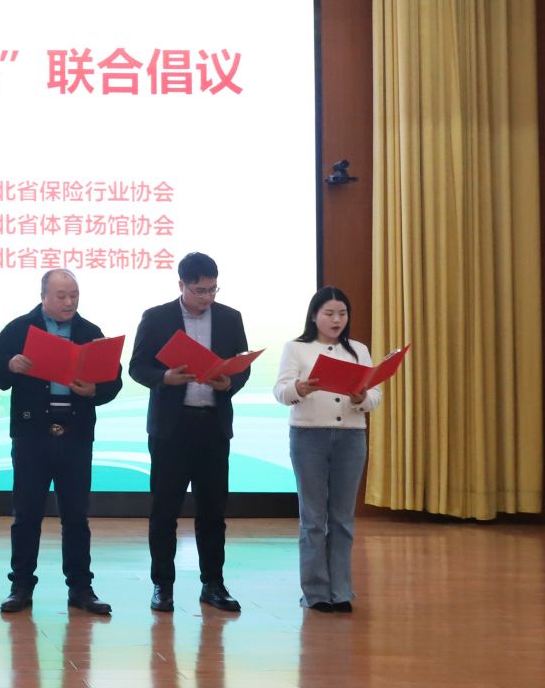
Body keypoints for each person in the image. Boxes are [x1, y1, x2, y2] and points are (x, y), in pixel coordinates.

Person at [0, 268, 123, 616]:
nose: (69, 302)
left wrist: (95, 390)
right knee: (26, 514)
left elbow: (114, 380)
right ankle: (21, 586)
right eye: (61, 296)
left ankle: (81, 588)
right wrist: (10, 365)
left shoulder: (90, 332)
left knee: (76, 515)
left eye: (74, 295)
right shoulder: (21, 328)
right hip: (32, 434)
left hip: (76, 435)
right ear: (43, 296)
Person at [128, 251, 251, 614]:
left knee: (212, 510)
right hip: (172, 428)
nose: (207, 297)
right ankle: (162, 585)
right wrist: (164, 377)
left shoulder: (230, 318)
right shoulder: (157, 317)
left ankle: (213, 584)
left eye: (212, 289)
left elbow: (241, 366)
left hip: (213, 425)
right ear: (181, 284)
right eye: (199, 290)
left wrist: (230, 382)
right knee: (165, 510)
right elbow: (137, 366)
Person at [273, 286, 381, 612]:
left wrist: (363, 398)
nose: (337, 320)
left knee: (342, 518)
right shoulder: (296, 348)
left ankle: (342, 591)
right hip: (308, 437)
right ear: (314, 316)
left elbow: (375, 396)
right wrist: (298, 388)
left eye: (342, 314)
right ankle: (316, 592)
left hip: (351, 437)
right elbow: (280, 391)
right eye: (329, 313)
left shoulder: (358, 350)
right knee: (313, 519)